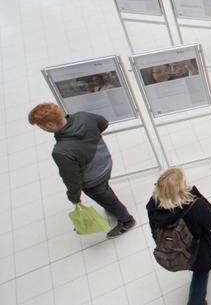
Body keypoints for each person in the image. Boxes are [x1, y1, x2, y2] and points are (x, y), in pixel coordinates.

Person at [27, 102, 136, 238]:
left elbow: (72, 179)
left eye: (40, 126)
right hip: (106, 162)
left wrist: (74, 198)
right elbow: (103, 123)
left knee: (107, 198)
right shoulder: (84, 116)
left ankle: (127, 220)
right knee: (105, 190)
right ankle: (112, 207)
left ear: (50, 125)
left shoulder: (61, 151)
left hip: (93, 180)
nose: (41, 128)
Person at [147, 168, 211, 305]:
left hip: (176, 251)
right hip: (200, 253)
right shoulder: (195, 205)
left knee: (196, 268)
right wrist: (196, 193)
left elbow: (154, 233)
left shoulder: (153, 205)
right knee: (202, 272)